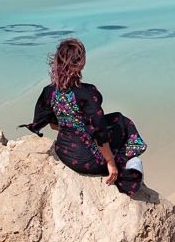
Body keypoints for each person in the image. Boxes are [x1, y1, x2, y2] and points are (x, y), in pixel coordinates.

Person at [22, 38, 147, 196]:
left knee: (114, 118)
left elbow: (53, 124)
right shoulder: (87, 93)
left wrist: (73, 126)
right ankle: (129, 166)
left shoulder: (49, 92)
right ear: (81, 62)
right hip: (89, 161)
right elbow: (99, 132)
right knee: (121, 121)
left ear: (57, 61)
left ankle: (125, 161)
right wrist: (110, 163)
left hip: (64, 152)